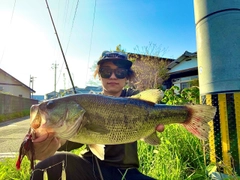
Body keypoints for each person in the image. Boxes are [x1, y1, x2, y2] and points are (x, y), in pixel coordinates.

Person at [30, 51, 165, 180]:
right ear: (99, 75)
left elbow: (161, 108)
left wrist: (169, 118)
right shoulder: (85, 104)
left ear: (127, 76)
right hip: (89, 167)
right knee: (46, 166)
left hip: (127, 171)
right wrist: (50, 140)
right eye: (106, 71)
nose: (113, 76)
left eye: (120, 72)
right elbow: (67, 140)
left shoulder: (136, 100)